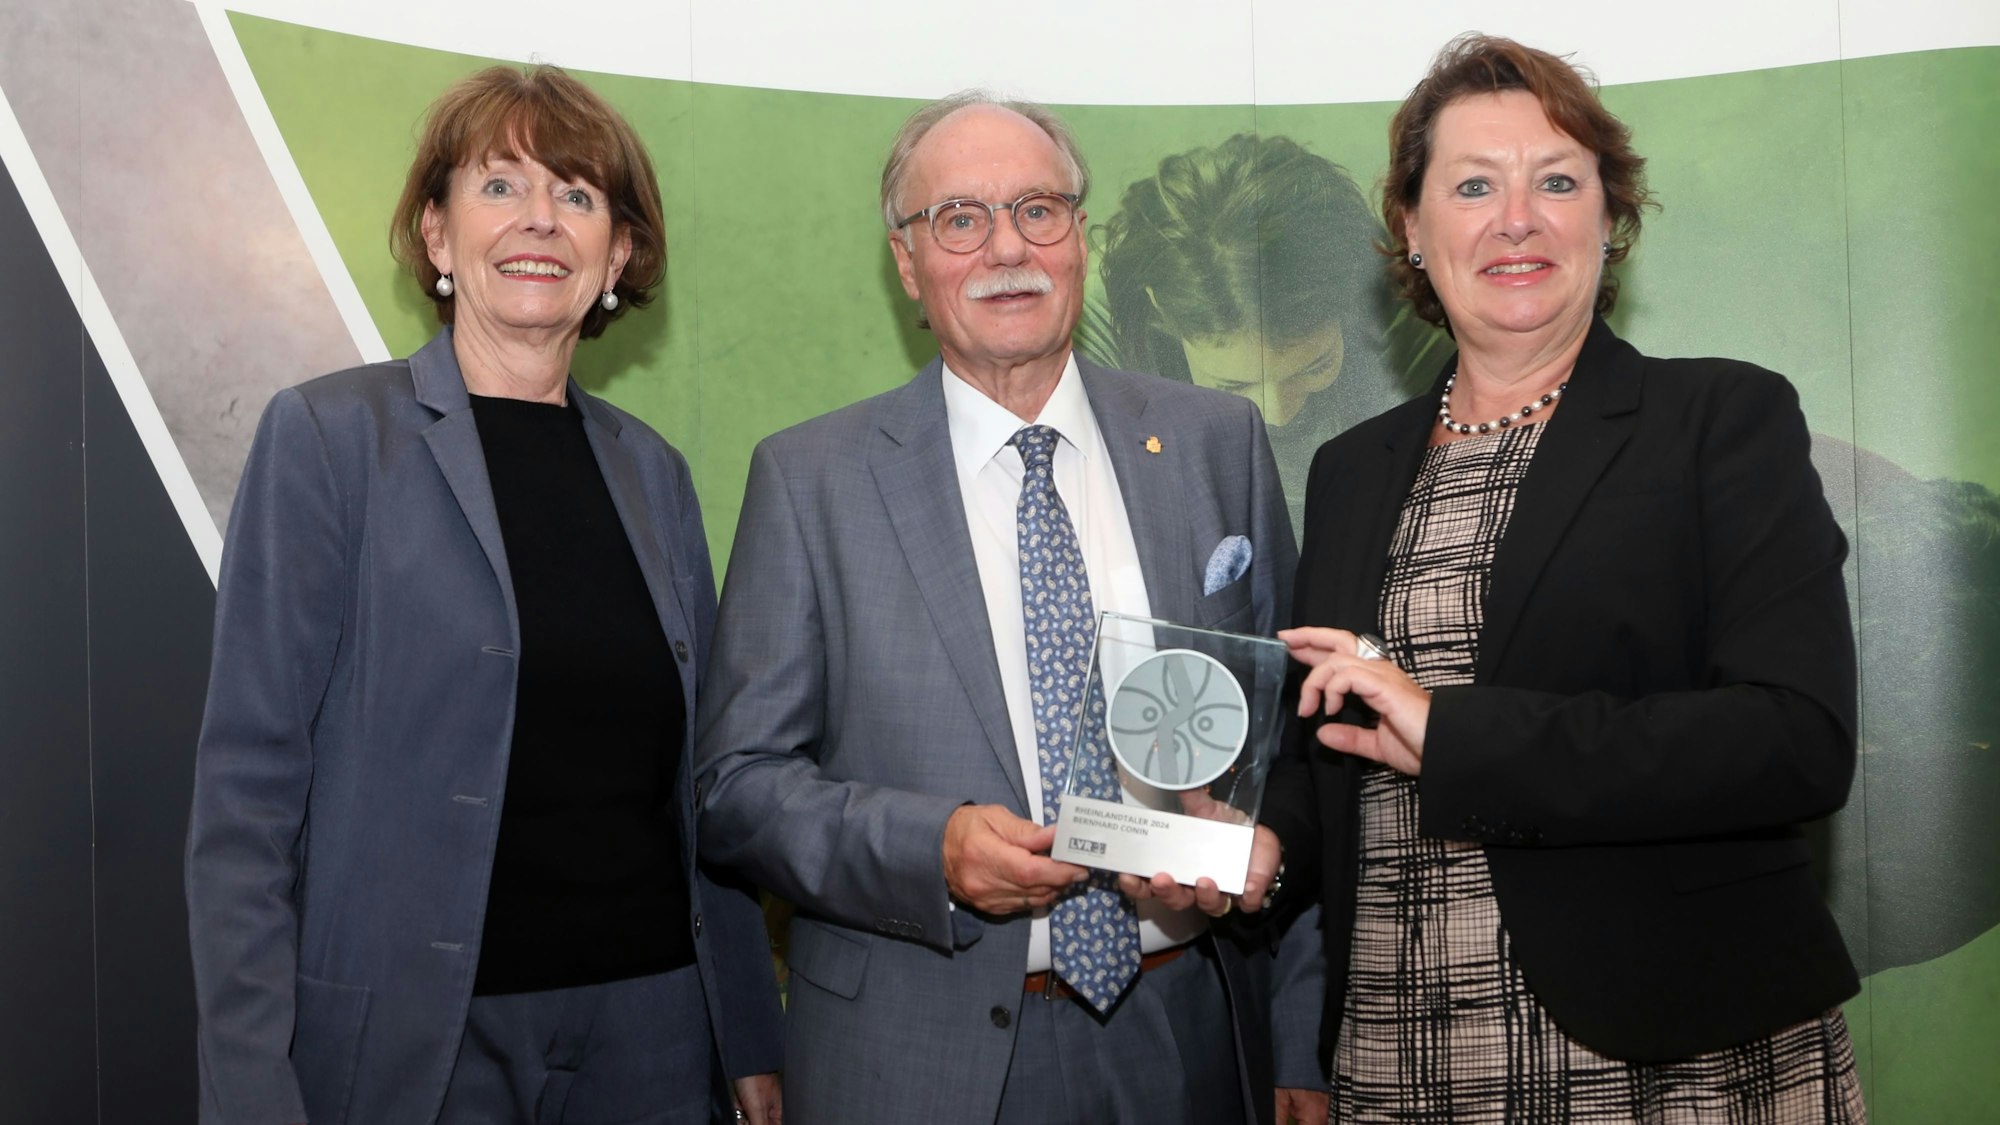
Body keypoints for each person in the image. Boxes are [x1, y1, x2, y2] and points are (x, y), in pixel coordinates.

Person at [1140, 34, 1868, 1121]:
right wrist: (1260, 846)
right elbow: (1328, 747)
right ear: (1411, 228)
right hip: (1401, 1051)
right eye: (1472, 185)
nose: (1514, 217)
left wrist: (1452, 732)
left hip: (1669, 1057)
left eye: (1556, 182)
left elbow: (1792, 742)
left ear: (1608, 220)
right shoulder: (1351, 470)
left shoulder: (1719, 419)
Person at [185, 65, 782, 1125]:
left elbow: (701, 783)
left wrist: (746, 1031)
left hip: (649, 1034)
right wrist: (247, 1083)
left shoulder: (655, 474)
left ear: (620, 255)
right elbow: (247, 792)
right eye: (500, 186)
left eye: (579, 195)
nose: (541, 220)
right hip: (420, 1046)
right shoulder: (329, 440)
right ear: (436, 234)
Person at [692, 91, 1303, 1125]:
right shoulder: (812, 480)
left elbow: (1292, 750)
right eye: (959, 219)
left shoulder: (1214, 441)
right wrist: (928, 848)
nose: (1004, 248)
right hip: (912, 1056)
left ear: (1080, 239)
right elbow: (734, 790)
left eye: (1037, 209)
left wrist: (1297, 1033)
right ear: (906, 264)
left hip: (1185, 1038)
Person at [1088, 134, 1447, 534]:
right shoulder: (1093, 339)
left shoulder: (1417, 323)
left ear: (1351, 305)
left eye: (1313, 366)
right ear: (1160, 311)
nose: (1277, 412)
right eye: (1235, 383)